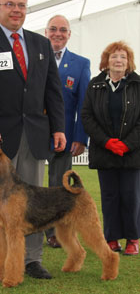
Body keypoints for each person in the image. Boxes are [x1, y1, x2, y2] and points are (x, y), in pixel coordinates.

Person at [0, 0, 66, 279]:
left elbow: (53, 91)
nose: (16, 10)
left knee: (32, 201)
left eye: (21, 5)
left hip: (34, 134)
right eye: (10, 4)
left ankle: (32, 259)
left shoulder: (40, 44)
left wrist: (58, 127)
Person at [81, 41, 140, 256]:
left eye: (123, 57)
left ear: (129, 62)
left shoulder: (137, 84)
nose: (118, 61)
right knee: (109, 196)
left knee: (131, 196)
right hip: (104, 152)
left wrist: (127, 144)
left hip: (132, 153)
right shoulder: (95, 84)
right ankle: (112, 238)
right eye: (114, 56)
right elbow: (86, 116)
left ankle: (133, 238)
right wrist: (106, 142)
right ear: (106, 61)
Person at [44, 15, 90, 248]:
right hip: (32, 131)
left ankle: (55, 232)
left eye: (63, 30)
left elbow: (84, 104)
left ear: (69, 34)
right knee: (26, 181)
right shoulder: (35, 56)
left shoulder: (81, 64)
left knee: (59, 185)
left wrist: (81, 137)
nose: (58, 33)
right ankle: (28, 227)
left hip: (64, 134)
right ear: (46, 32)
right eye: (53, 29)